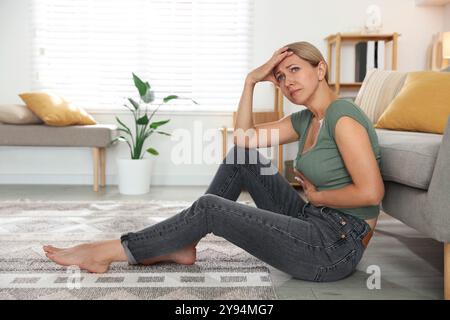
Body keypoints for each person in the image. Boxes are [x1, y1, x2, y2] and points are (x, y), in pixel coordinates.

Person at [43, 41, 384, 282]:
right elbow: (242, 139)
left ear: (320, 68)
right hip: (314, 220)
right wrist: (250, 81)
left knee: (210, 208)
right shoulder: (306, 119)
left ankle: (107, 251)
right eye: (279, 77)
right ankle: (184, 243)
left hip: (334, 248)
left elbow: (371, 193)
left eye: (294, 70)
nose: (287, 82)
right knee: (241, 157)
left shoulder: (343, 115)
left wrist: (320, 197)